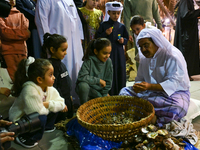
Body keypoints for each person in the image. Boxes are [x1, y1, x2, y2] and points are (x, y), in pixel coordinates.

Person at [119, 29, 190, 127]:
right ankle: (149, 116)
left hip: (174, 94)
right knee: (124, 92)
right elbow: (140, 78)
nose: (143, 50)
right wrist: (139, 86)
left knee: (177, 108)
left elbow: (173, 83)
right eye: (141, 47)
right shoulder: (144, 58)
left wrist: (149, 86)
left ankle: (151, 118)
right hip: (150, 92)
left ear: (156, 42)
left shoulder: (172, 55)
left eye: (146, 45)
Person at [9, 57, 67, 148]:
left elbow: (61, 102)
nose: (54, 77)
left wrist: (48, 104)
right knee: (41, 117)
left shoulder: (48, 88)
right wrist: (51, 105)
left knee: (52, 106)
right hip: (19, 119)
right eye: (50, 75)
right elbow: (37, 113)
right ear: (40, 79)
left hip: (37, 112)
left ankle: (47, 127)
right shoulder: (29, 90)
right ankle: (26, 137)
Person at [35, 0, 84, 104]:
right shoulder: (44, 1)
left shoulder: (69, 0)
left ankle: (76, 101)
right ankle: (63, 103)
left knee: (76, 69)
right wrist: (48, 45)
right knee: (60, 74)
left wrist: (80, 36)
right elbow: (42, 23)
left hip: (74, 41)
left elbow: (77, 20)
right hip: (57, 45)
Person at [96, 1, 129, 95]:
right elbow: (98, 39)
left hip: (119, 54)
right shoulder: (104, 25)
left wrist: (123, 41)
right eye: (114, 13)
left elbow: (126, 38)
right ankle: (109, 93)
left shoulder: (121, 26)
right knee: (109, 72)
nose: (116, 15)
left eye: (118, 13)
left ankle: (120, 93)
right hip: (107, 55)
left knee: (120, 71)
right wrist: (105, 34)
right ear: (109, 13)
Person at [42, 33, 73, 121]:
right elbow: (53, 87)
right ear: (52, 49)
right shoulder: (50, 66)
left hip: (67, 100)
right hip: (60, 103)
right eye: (63, 50)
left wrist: (69, 96)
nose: (65, 53)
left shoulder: (61, 64)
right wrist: (60, 103)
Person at [75, 38, 113, 105]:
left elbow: (108, 80)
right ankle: (84, 107)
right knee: (83, 86)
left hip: (99, 92)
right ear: (96, 51)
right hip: (89, 90)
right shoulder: (89, 61)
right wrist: (98, 80)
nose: (107, 56)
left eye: (109, 53)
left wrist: (104, 95)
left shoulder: (108, 61)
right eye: (104, 53)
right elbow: (81, 77)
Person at [0, 0, 30, 81]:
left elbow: (25, 30)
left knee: (22, 78)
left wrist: (12, 33)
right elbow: (4, 33)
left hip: (22, 51)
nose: (12, 0)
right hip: (7, 52)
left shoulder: (21, 15)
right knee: (10, 80)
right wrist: (23, 34)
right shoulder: (2, 15)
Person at [174, 0, 200, 81]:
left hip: (187, 33)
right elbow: (186, 15)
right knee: (186, 54)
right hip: (185, 35)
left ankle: (186, 74)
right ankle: (185, 74)